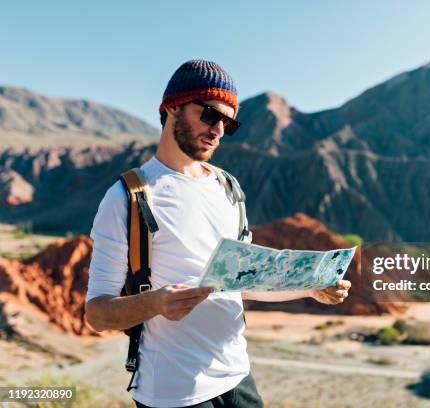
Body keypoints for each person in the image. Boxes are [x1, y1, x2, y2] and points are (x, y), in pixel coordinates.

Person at [84, 59, 351, 408]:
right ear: (172, 108)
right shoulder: (128, 197)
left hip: (238, 378)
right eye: (210, 114)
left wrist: (312, 288)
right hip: (174, 393)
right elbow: (97, 314)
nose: (219, 130)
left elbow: (245, 281)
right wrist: (155, 303)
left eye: (229, 122)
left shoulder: (228, 188)